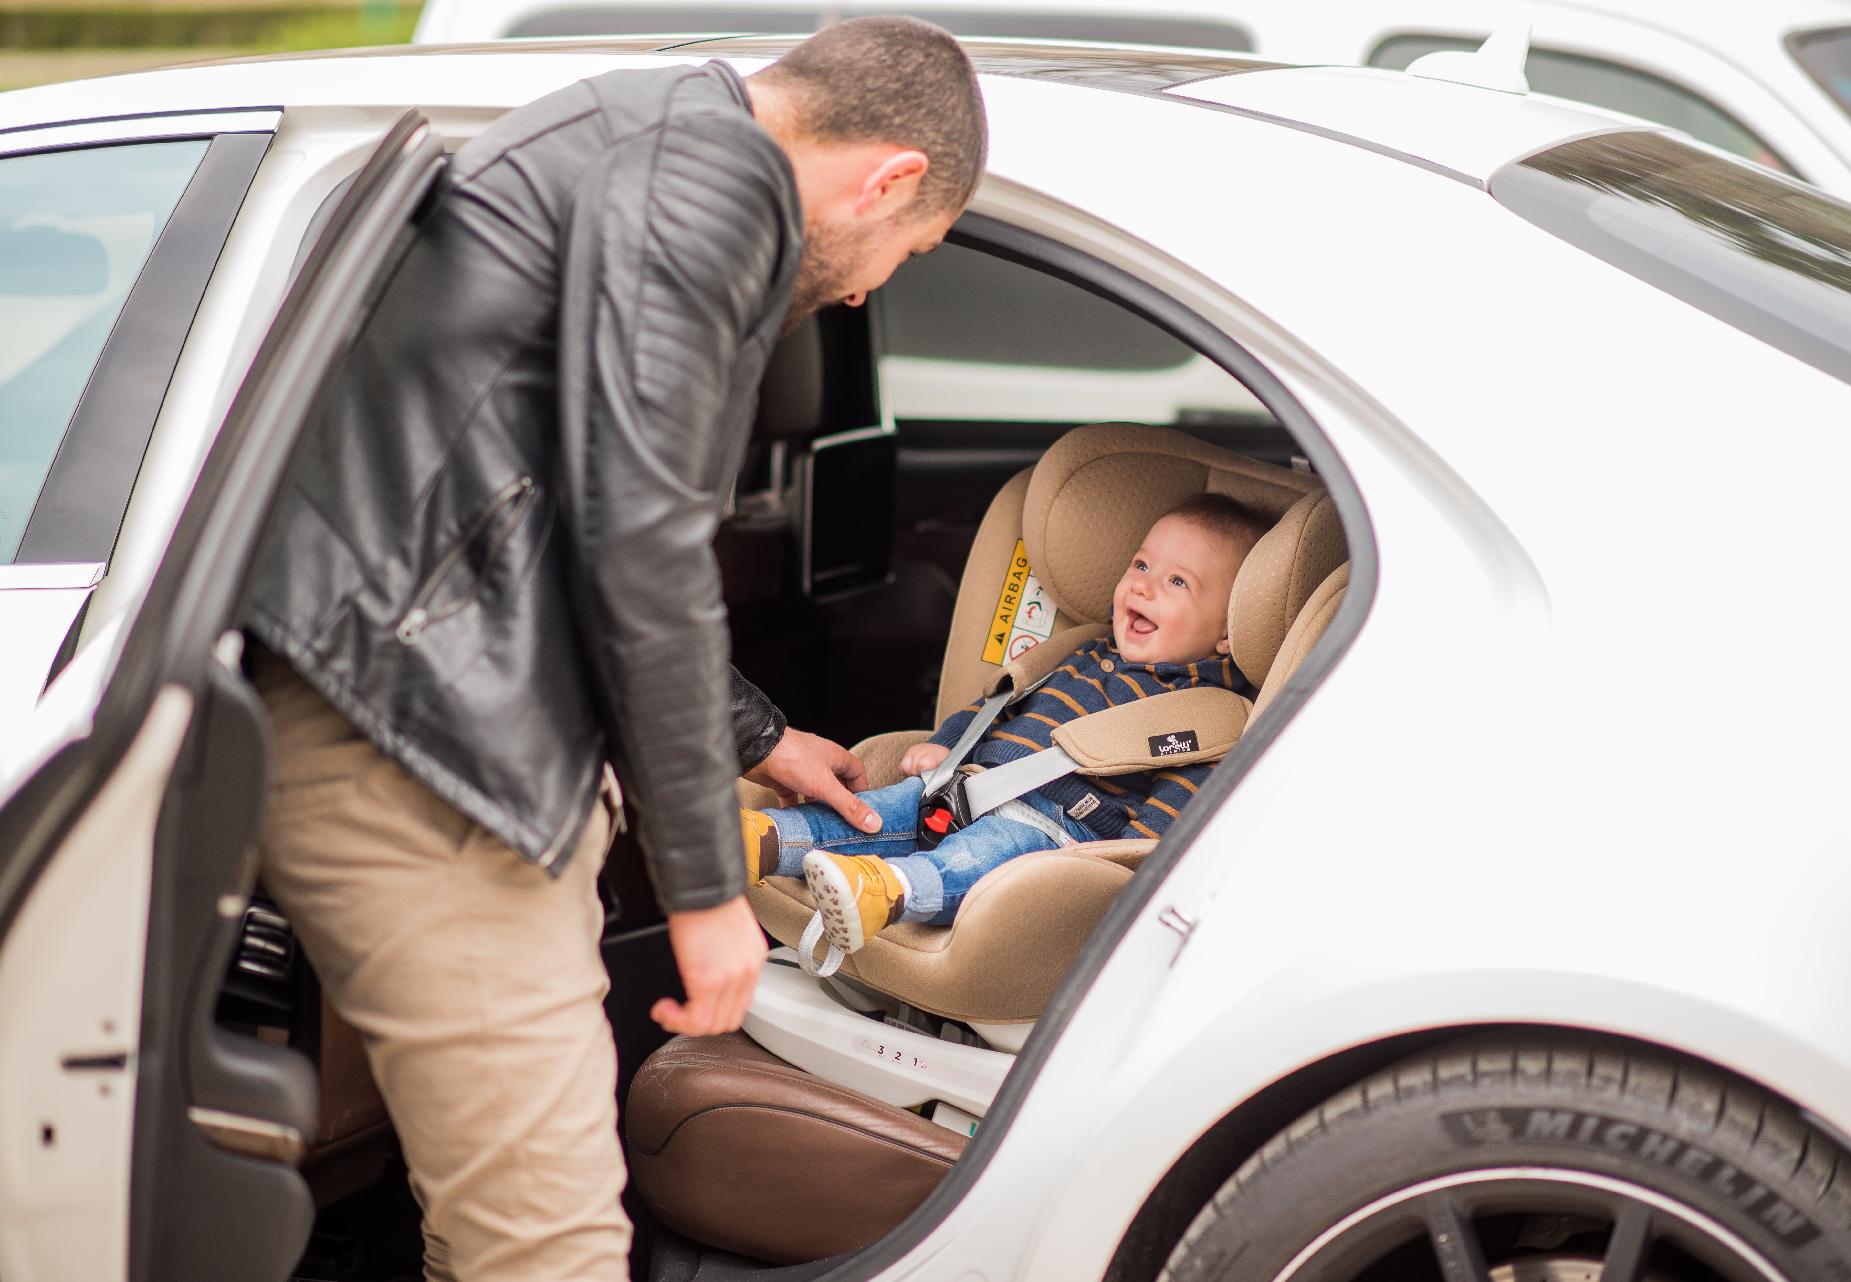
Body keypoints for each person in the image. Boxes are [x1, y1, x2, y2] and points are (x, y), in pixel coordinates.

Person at [243, 19, 986, 1282]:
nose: (867, 289)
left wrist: (758, 740)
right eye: (903, 254)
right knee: (546, 1250)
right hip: (428, 761)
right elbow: (639, 540)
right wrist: (702, 892)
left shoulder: (645, 134)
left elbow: (550, 510)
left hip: (407, 703)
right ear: (892, 176)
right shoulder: (716, 186)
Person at [740, 494, 1267, 961]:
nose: (1143, 586)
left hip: (1055, 831)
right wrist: (944, 745)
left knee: (978, 855)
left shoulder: (1202, 714)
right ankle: (764, 841)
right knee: (885, 810)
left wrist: (1112, 870)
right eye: (1141, 564)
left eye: (1177, 581)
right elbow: (997, 706)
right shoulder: (1084, 653)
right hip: (965, 784)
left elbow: (1169, 818)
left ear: (1227, 631)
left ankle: (888, 891)